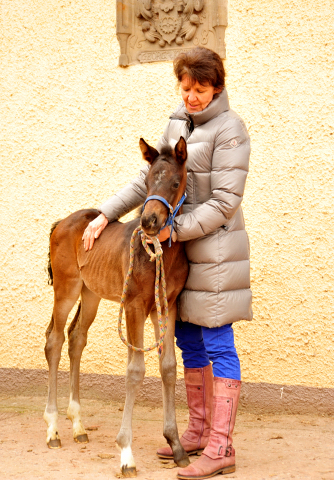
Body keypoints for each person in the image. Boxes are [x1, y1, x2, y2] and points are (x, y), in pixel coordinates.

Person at [83, 46, 252, 480]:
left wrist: (173, 231)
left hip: (212, 252)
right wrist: (106, 214)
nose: (192, 96)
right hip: (175, 258)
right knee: (189, 343)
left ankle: (222, 446)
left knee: (217, 343)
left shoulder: (231, 129)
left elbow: (226, 201)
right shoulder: (177, 122)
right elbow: (151, 179)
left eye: (201, 88)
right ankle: (195, 431)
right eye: (186, 87)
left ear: (217, 86)